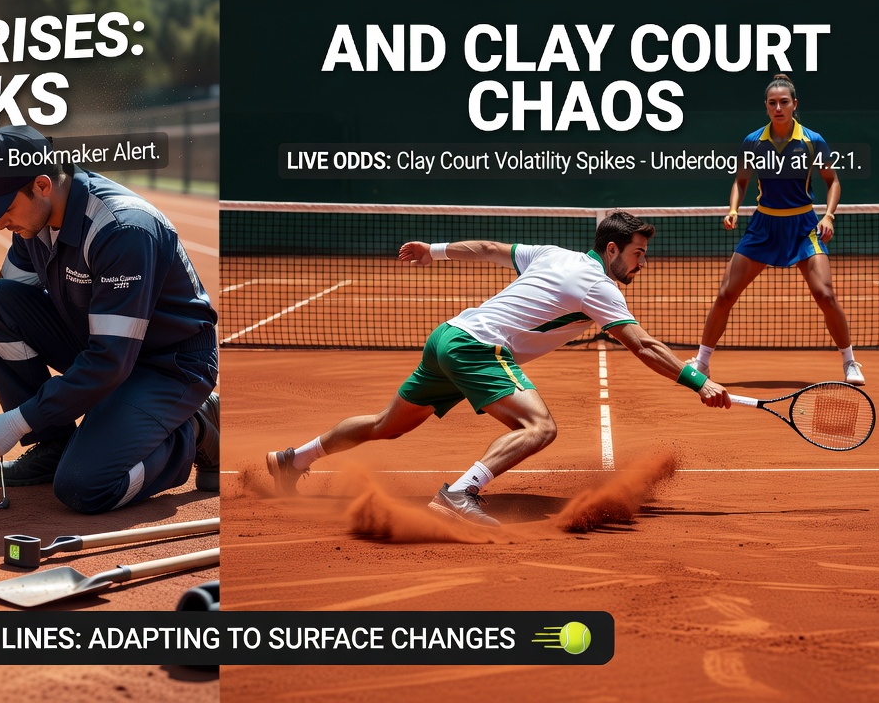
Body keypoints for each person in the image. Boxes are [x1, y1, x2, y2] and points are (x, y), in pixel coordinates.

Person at [266, 211, 731, 526]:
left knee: (386, 426)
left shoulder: (553, 254)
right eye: (638, 254)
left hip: (447, 336)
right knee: (539, 426)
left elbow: (489, 247)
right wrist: (698, 379)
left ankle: (293, 459)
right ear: (612, 250)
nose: (641, 263)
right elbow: (643, 345)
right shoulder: (601, 287)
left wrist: (436, 249)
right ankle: (459, 495)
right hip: (479, 347)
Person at [0, 125, 219, 514]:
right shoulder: (34, 222)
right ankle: (53, 445)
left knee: (85, 487)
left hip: (167, 366)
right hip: (102, 343)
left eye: (4, 209)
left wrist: (18, 421)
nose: (0, 224)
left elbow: (110, 362)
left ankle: (194, 427)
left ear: (41, 185)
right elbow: (2, 299)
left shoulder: (122, 230)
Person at [688, 74, 863, 385]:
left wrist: (829, 216)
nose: (778, 107)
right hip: (763, 226)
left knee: (824, 294)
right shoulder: (753, 141)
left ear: (795, 105)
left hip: (804, 226)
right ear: (766, 107)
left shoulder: (812, 140)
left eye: (784, 102)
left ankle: (850, 362)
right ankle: (702, 362)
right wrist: (732, 209)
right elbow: (741, 182)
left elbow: (832, 181)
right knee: (726, 293)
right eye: (772, 103)